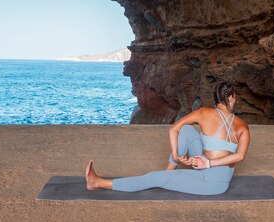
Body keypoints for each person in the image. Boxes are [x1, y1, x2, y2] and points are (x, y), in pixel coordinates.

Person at [85, 81, 250, 196]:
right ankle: (169, 171)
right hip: (220, 174)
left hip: (212, 183)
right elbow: (240, 156)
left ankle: (98, 183)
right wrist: (179, 157)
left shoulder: (203, 112)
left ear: (216, 98)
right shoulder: (243, 125)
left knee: (155, 178)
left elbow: (173, 129)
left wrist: (206, 162)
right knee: (187, 130)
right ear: (231, 98)